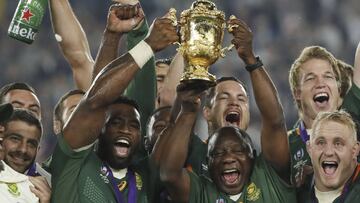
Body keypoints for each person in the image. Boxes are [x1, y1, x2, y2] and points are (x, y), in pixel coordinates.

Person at [160, 16, 296, 202]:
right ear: (206, 112)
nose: (234, 103)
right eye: (224, 97)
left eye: (241, 99)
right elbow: (169, 168)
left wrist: (250, 59)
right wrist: (187, 107)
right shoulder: (194, 158)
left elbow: (275, 121)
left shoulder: (267, 172)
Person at [49, 9, 178, 202]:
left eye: (134, 125)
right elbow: (96, 101)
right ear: (99, 127)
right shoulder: (74, 161)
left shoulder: (145, 174)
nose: (126, 129)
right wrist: (146, 45)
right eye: (116, 122)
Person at [288, 43, 360, 200]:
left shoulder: (355, 116)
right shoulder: (285, 145)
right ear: (297, 93)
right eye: (310, 78)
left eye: (328, 76)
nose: (320, 83)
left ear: (338, 88)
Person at [306, 110, 360, 202]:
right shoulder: (295, 193)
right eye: (321, 143)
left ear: (355, 150)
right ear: (309, 149)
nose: (329, 152)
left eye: (338, 143)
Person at [0, 109, 51, 202]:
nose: (23, 149)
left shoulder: (46, 188)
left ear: (37, 150)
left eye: (31, 144)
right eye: (15, 139)